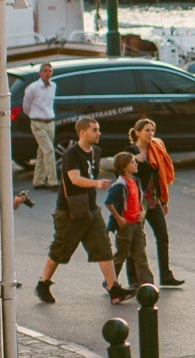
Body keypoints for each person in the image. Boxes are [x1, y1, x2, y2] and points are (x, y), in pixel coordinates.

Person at [36, 117, 132, 305]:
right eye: (94, 130)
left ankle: (114, 289)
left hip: (91, 209)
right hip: (70, 211)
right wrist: (96, 183)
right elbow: (74, 179)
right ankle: (43, 284)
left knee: (103, 246)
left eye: (98, 130)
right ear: (82, 133)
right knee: (60, 250)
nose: (98, 133)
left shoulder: (96, 152)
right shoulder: (71, 154)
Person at [126, 119, 184, 288]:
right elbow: (120, 172)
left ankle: (166, 275)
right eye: (147, 130)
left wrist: (163, 201)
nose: (150, 133)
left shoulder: (155, 149)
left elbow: (159, 177)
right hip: (137, 202)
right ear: (137, 132)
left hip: (153, 200)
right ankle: (133, 278)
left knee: (162, 236)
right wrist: (134, 160)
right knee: (135, 239)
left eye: (152, 130)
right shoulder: (130, 152)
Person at [105, 152, 154, 290]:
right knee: (121, 255)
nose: (135, 164)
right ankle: (110, 282)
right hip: (125, 226)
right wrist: (118, 218)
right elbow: (109, 202)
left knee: (140, 255)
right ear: (124, 167)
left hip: (137, 224)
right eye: (132, 162)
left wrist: (142, 212)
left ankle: (147, 284)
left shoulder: (136, 181)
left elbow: (141, 199)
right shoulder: (120, 185)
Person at [22, 63, 59, 190]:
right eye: (45, 71)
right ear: (40, 73)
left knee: (42, 152)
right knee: (49, 150)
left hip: (50, 122)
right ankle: (53, 181)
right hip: (38, 123)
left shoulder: (53, 86)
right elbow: (26, 105)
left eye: (50, 71)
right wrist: (33, 115)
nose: (48, 73)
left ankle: (38, 181)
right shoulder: (33, 88)